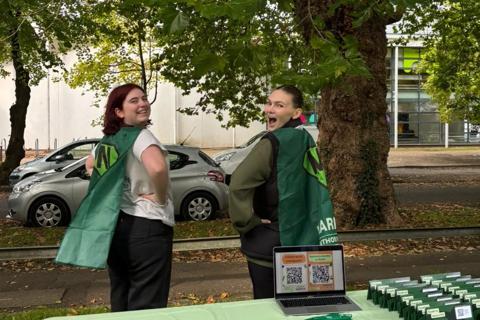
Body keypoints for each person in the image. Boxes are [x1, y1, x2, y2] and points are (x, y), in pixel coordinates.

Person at [56, 83, 174, 311]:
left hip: (116, 226)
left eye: (143, 98)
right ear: (119, 112)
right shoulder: (142, 137)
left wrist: (120, 188)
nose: (142, 104)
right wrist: (159, 198)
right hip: (147, 226)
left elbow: (90, 165)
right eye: (134, 101)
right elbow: (158, 169)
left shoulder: (109, 140)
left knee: (120, 296)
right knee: (147, 304)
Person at [228, 85, 337, 299]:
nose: (269, 109)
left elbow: (238, 185)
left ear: (296, 113)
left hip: (269, 245)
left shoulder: (272, 142)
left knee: (269, 309)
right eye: (269, 103)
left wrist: (247, 222)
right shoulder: (306, 140)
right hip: (303, 241)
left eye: (279, 105)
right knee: (298, 307)